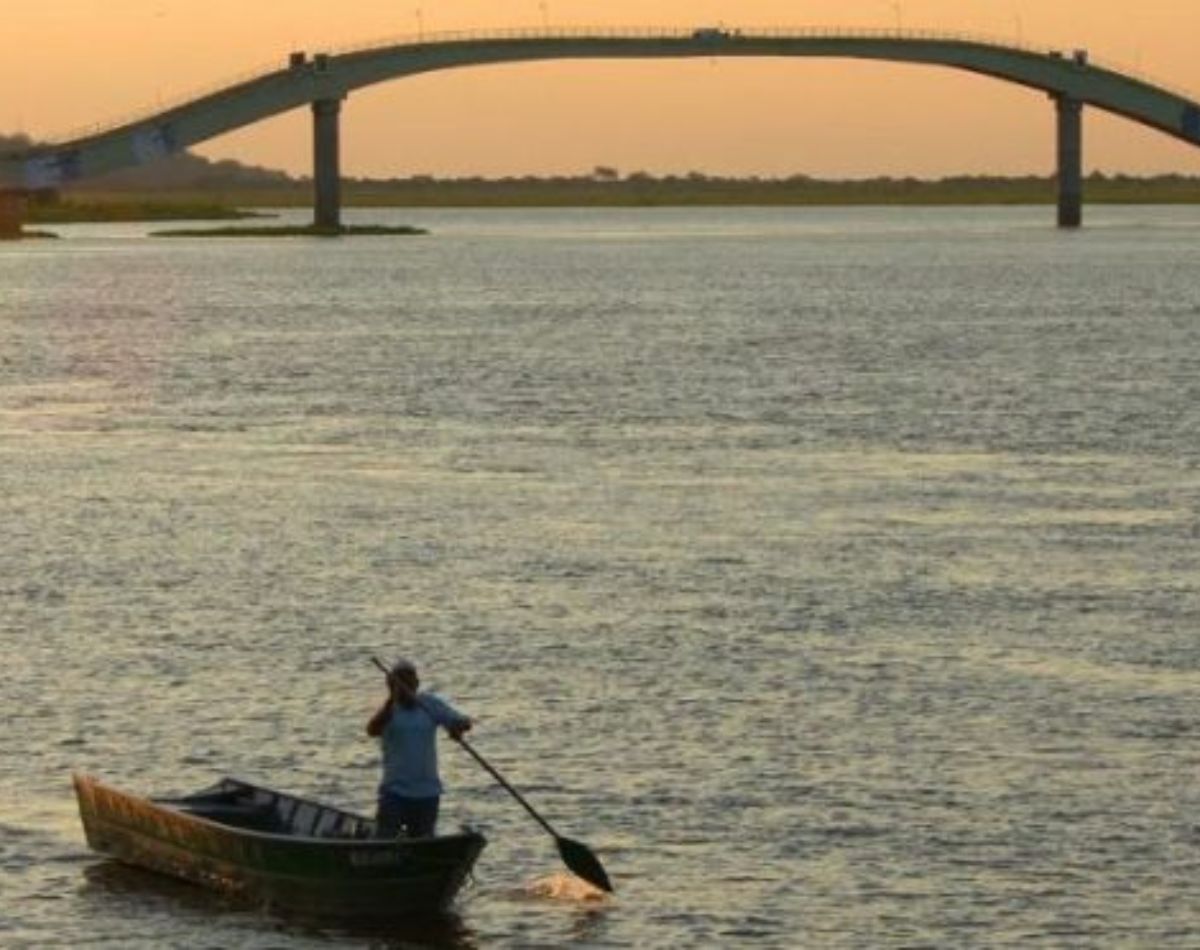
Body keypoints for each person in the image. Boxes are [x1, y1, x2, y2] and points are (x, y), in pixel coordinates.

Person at [366, 658, 472, 839]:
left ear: (416, 684)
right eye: (401, 683)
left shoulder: (429, 704)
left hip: (427, 793)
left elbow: (463, 721)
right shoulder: (389, 710)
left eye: (410, 682)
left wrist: (458, 727)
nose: (407, 688)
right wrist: (392, 699)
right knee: (385, 838)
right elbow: (372, 730)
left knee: (423, 839)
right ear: (392, 686)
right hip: (395, 792)